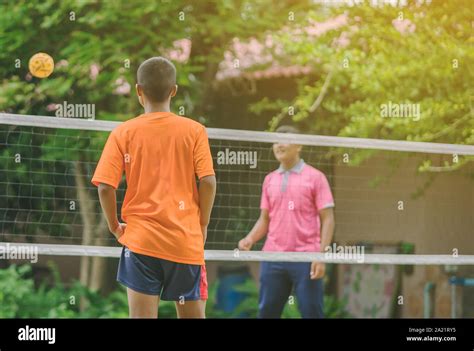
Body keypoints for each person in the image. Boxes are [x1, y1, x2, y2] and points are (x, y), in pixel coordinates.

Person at [92, 57, 216, 318]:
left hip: (140, 243)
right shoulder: (194, 130)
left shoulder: (123, 133)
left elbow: (104, 186)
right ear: (174, 90)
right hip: (184, 241)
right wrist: (202, 223)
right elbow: (207, 181)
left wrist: (115, 226)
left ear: (138, 90)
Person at [238, 125, 335, 318]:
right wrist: (249, 239)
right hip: (273, 257)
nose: (278, 145)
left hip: (306, 257)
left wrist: (321, 256)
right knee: (266, 313)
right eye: (275, 141)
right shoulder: (269, 180)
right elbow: (265, 219)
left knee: (312, 312)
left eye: (284, 140)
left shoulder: (316, 177)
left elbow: (328, 218)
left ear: (298, 145)